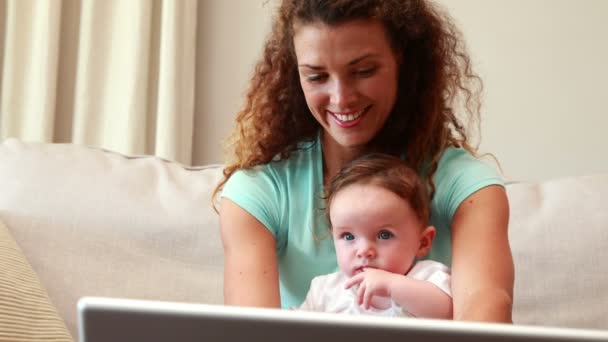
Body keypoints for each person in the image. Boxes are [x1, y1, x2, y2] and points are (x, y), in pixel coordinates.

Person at [214, 0, 514, 322]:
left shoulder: (469, 190)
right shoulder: (257, 194)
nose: (341, 98)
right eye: (316, 77)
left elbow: (486, 321)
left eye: (363, 71)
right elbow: (251, 333)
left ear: (404, 63)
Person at [299, 153, 452, 318]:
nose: (364, 250)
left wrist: (391, 285)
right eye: (348, 236)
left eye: (384, 235)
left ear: (422, 242)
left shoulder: (427, 279)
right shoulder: (325, 290)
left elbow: (446, 312)